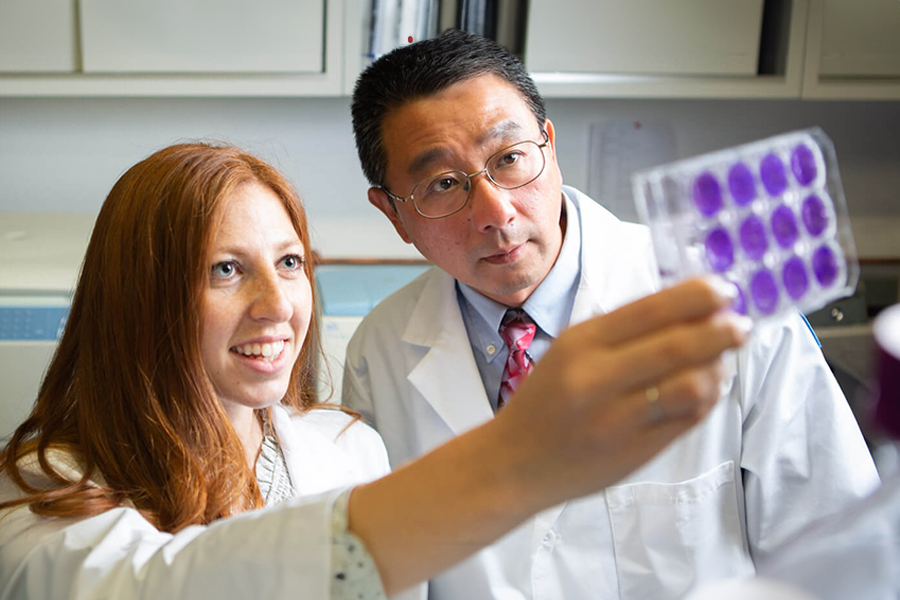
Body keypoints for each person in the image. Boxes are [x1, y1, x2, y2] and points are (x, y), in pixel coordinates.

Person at [0, 143, 750, 600]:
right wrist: (514, 462)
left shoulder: (347, 449)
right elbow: (159, 588)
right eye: (226, 270)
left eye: (290, 264)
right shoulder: (44, 490)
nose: (277, 306)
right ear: (140, 296)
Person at [344, 29, 881, 600]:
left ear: (549, 144)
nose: (495, 212)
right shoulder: (379, 354)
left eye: (509, 158)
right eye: (443, 184)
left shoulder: (727, 306)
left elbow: (845, 554)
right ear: (394, 214)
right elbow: (378, 574)